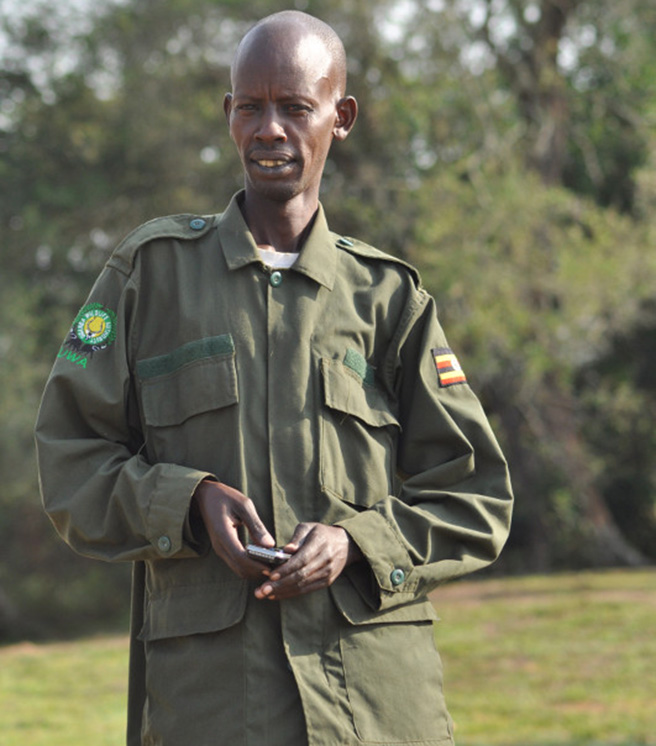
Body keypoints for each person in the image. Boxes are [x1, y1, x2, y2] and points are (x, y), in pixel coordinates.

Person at [35, 10, 513, 746]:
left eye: (295, 107)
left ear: (340, 116)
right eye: (251, 107)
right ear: (228, 115)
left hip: (378, 712)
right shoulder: (148, 277)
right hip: (212, 709)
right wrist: (188, 501)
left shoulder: (389, 298)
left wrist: (359, 544)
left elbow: (473, 494)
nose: (270, 130)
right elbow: (70, 463)